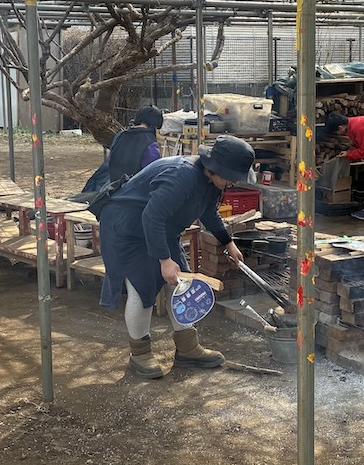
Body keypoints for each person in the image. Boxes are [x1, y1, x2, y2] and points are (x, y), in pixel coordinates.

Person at [98, 135, 254, 380]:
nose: (233, 181)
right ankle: (139, 354)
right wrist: (163, 260)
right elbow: (152, 216)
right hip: (127, 227)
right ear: (213, 167)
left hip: (160, 227)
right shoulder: (181, 176)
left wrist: (228, 242)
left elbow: (208, 212)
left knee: (182, 285)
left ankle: (188, 348)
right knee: (143, 289)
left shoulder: (213, 183)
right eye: (230, 176)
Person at [78, 105, 165, 196]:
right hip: (136, 195)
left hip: (113, 190)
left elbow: (111, 161)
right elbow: (153, 174)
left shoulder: (119, 136)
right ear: (155, 125)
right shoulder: (150, 143)